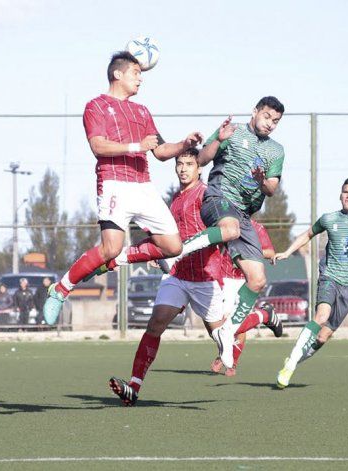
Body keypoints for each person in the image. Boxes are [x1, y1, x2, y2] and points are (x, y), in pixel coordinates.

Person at [109, 149, 281, 406]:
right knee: (155, 324)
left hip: (206, 278)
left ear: (199, 168)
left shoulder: (208, 197)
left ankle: (264, 315)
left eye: (189, 164)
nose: (183, 168)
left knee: (222, 333)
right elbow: (165, 237)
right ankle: (134, 386)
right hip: (177, 276)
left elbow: (224, 230)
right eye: (179, 163)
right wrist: (150, 251)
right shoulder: (175, 201)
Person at [43, 51, 202, 323]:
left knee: (174, 246)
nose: (141, 79)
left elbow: (161, 151)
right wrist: (135, 147)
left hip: (143, 185)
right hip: (114, 182)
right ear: (118, 74)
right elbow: (98, 146)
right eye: (136, 73)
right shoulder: (96, 106)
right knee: (109, 247)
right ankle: (61, 289)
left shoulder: (142, 111)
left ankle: (112, 262)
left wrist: (184, 144)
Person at [154, 97, 286, 369]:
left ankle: (229, 331)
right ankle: (182, 250)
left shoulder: (276, 151)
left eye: (275, 121)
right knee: (230, 228)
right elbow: (201, 159)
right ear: (255, 112)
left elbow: (271, 188)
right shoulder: (232, 131)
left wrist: (262, 182)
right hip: (218, 197)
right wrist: (218, 139)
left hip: (245, 214)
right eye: (267, 116)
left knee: (258, 280)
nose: (270, 123)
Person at [273, 178, 348, 389]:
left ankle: (294, 361)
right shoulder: (329, 219)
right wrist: (288, 252)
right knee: (321, 316)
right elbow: (307, 235)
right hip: (330, 277)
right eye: (345, 192)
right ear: (340, 195)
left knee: (324, 335)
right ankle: (290, 362)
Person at [210, 219, 276, 376]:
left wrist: (247, 252)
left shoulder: (257, 228)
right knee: (221, 323)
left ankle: (232, 363)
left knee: (237, 320)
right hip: (223, 279)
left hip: (245, 280)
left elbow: (270, 252)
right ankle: (224, 352)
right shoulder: (224, 223)